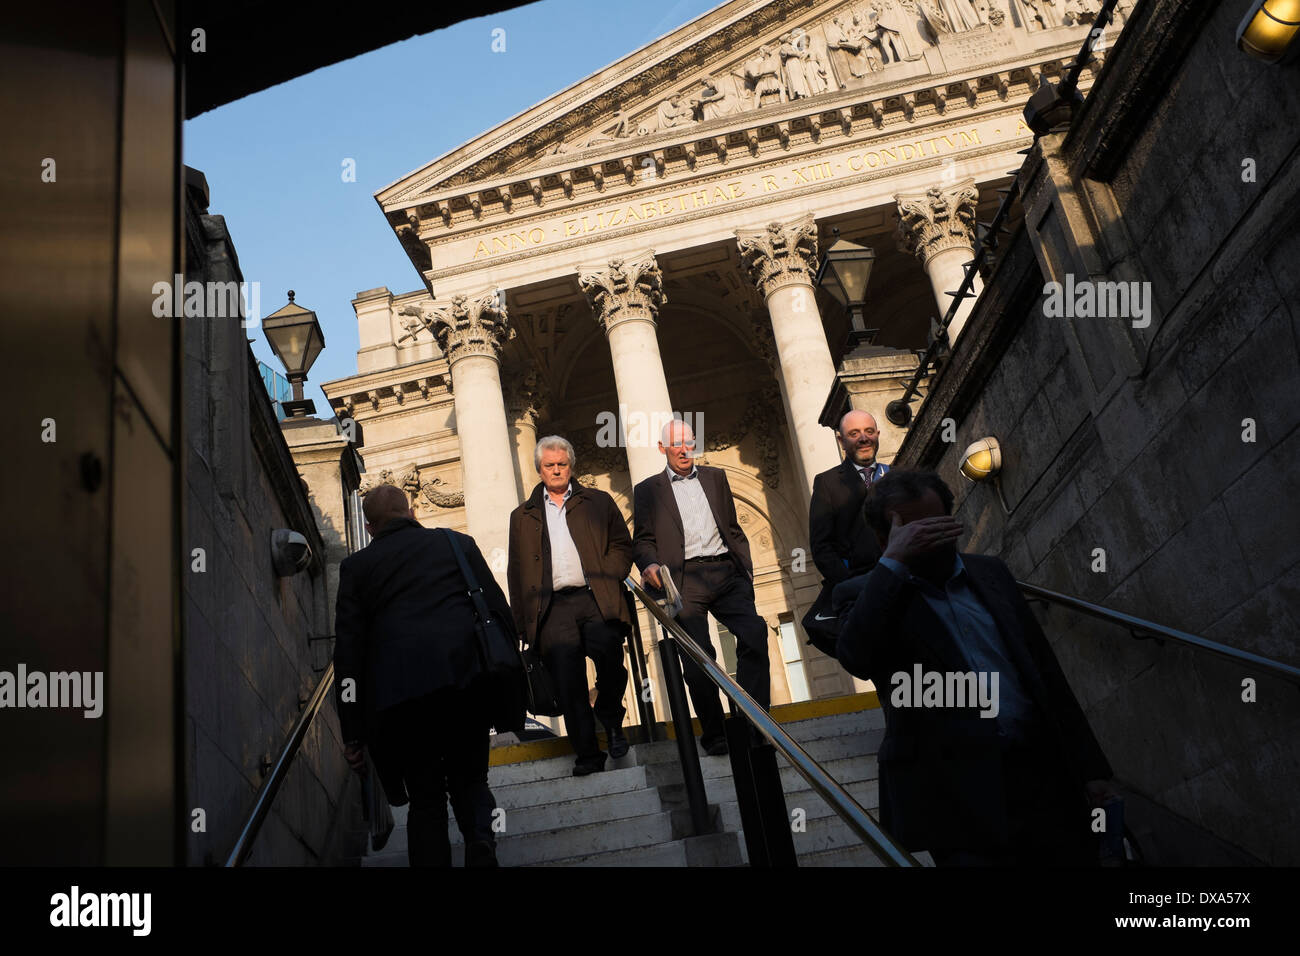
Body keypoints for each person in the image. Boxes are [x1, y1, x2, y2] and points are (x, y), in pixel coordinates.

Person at [836, 470, 1117, 865]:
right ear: (886, 539)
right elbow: (856, 657)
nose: (930, 539)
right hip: (957, 801)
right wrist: (894, 563)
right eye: (914, 531)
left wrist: (1091, 769)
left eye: (937, 525)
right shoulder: (867, 595)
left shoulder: (991, 573)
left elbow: (1044, 671)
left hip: (1043, 777)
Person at [334, 483, 511, 867]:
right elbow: (498, 610)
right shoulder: (455, 544)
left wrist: (352, 732)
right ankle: (480, 841)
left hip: (401, 701)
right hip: (464, 683)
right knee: (471, 780)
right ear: (412, 511)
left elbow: (348, 655)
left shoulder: (357, 568)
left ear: (370, 526)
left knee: (425, 797)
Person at [633, 419, 771, 755]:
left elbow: (732, 527)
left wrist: (746, 569)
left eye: (688, 442)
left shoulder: (716, 478)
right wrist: (650, 564)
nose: (683, 449)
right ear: (662, 448)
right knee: (698, 657)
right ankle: (714, 732)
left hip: (725, 571)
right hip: (684, 579)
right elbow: (643, 540)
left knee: (754, 632)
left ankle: (756, 722)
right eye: (676, 443)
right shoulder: (648, 490)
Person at [507, 436, 635, 776]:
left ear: (571, 466)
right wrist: (521, 624)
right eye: (549, 466)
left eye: (561, 464)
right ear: (539, 470)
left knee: (610, 658)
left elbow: (623, 544)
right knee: (569, 683)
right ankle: (588, 756)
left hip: (595, 598)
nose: (556, 470)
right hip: (551, 609)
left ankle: (609, 717)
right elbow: (516, 572)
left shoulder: (598, 501)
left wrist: (609, 575)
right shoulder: (521, 516)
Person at [803, 410, 889, 655]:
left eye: (869, 431)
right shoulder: (827, 482)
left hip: (902, 581)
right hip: (860, 588)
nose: (863, 438)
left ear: (877, 435)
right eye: (854, 433)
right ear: (841, 441)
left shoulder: (897, 473)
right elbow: (821, 546)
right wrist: (850, 584)